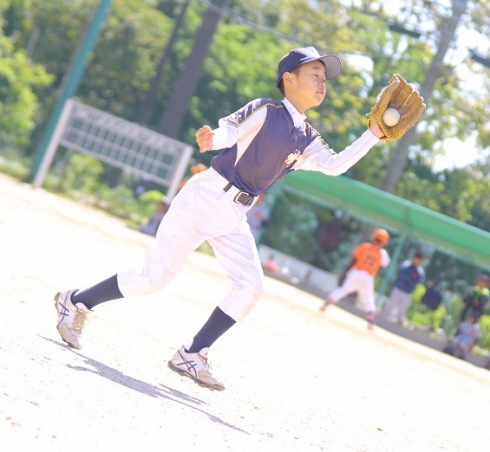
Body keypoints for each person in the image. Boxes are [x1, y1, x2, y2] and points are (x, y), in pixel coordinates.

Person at [53, 47, 395, 391]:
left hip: (235, 213)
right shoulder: (268, 110)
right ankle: (76, 300)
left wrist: (373, 134)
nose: (323, 83)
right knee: (153, 278)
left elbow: (335, 165)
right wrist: (212, 139)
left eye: (324, 78)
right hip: (206, 197)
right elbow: (230, 131)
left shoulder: (307, 137)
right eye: (315, 75)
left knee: (251, 286)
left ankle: (192, 353)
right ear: (289, 79)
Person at [321, 228, 391, 329]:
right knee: (368, 298)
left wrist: (344, 273)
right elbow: (385, 263)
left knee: (343, 289)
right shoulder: (382, 253)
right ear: (385, 241)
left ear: (374, 236)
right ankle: (371, 320)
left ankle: (327, 303)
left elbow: (353, 260)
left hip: (356, 272)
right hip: (368, 277)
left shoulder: (365, 246)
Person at [378, 252, 425, 325]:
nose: (418, 261)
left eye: (420, 260)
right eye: (417, 259)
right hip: (398, 289)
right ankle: (379, 322)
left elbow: (418, 282)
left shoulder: (420, 272)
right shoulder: (406, 265)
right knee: (388, 307)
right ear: (414, 258)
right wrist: (410, 280)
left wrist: (409, 280)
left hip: (408, 293)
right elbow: (401, 275)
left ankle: (396, 328)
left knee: (402, 313)